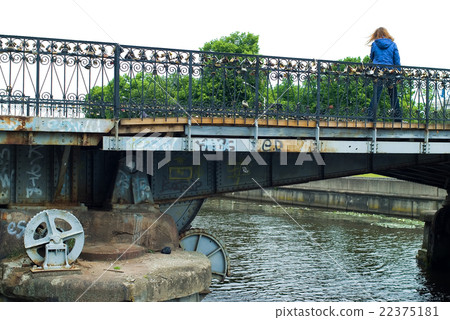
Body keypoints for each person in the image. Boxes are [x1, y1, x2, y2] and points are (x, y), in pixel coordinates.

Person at [367, 27, 402, 122]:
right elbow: (397, 61)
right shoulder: (393, 45)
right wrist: (399, 74)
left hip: (378, 72)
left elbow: (372, 57)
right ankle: (398, 119)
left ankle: (370, 118)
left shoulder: (375, 44)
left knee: (376, 95)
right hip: (390, 72)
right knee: (393, 95)